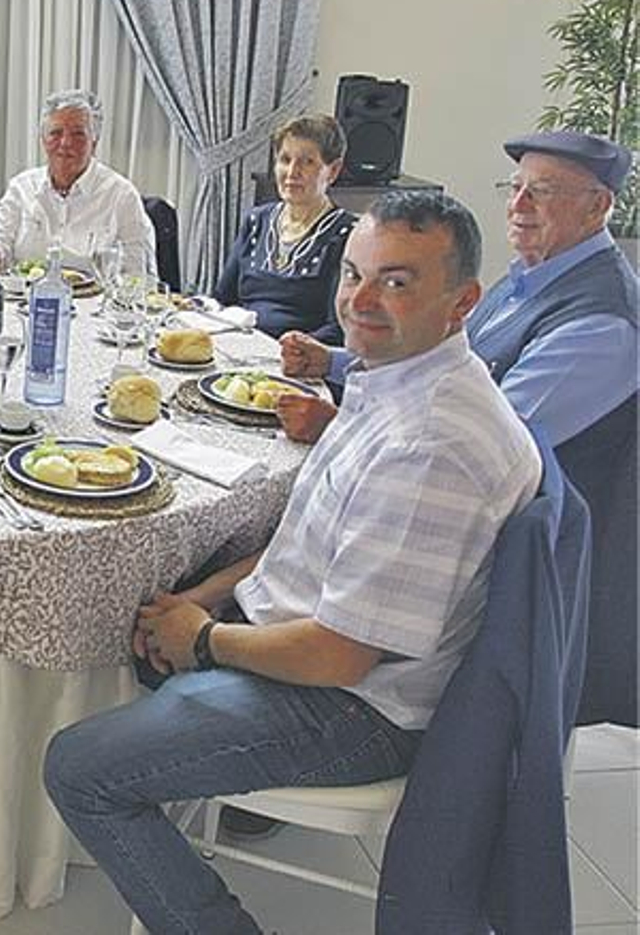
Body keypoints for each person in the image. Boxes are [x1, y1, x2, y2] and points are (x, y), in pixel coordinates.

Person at [44, 191, 540, 933]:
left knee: (78, 768)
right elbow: (309, 533)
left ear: (462, 302)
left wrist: (203, 637)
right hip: (315, 638)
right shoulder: (397, 377)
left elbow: (339, 654)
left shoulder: (432, 443)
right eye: (352, 274)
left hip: (357, 706)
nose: (359, 301)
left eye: (396, 281)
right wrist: (207, 595)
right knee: (147, 609)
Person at [279, 130, 637, 726]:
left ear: (599, 207)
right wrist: (334, 363)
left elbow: (476, 428)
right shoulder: (531, 276)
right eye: (515, 188)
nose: (518, 207)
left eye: (542, 193)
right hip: (443, 520)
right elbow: (440, 354)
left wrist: (342, 423)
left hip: (489, 574)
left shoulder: (605, 319)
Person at [213, 115, 357, 342]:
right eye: (285, 159)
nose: (292, 172)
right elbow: (222, 299)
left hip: (298, 360)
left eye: (307, 162)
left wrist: (291, 349)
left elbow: (338, 328)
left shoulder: (347, 236)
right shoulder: (256, 221)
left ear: (333, 171)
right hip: (238, 347)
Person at [0, 89, 156, 272]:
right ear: (43, 140)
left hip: (96, 300)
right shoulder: (21, 188)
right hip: (27, 298)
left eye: (78, 134)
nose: (66, 142)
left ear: (94, 141)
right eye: (56, 133)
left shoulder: (122, 195)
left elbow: (137, 276)